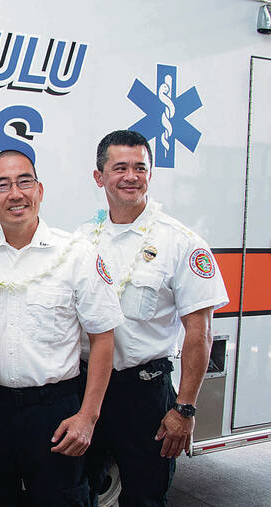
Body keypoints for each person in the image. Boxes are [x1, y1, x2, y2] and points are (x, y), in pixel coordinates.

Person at [0, 150, 124, 506]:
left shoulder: (77, 253)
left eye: (24, 182)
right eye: (1, 185)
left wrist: (87, 417)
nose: (15, 194)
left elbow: (103, 340)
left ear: (40, 190)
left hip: (56, 412)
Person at [77, 130, 229, 505]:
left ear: (150, 174)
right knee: (77, 493)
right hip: (83, 389)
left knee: (145, 497)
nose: (131, 176)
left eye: (140, 168)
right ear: (100, 177)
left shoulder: (181, 242)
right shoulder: (82, 240)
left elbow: (200, 331)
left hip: (144, 394)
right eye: (120, 168)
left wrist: (185, 409)